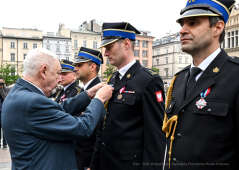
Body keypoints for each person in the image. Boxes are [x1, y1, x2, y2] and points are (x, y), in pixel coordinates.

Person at [1, 48, 113, 170]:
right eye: (57, 73)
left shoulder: (18, 94)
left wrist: (88, 94)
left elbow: (59, 109)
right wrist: (99, 99)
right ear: (43, 71)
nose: (59, 79)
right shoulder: (32, 102)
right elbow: (82, 128)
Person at [162, 0, 238, 170]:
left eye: (193, 23)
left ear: (218, 28)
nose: (182, 30)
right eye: (182, 24)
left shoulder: (235, 76)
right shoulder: (179, 80)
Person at [91, 22, 166, 170]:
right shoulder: (113, 78)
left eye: (109, 47)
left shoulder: (148, 80)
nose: (105, 53)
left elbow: (155, 138)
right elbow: (105, 126)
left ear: (126, 44)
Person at [73, 47, 103, 170]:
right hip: (78, 158)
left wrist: (92, 164)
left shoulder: (100, 91)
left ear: (92, 67)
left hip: (88, 160)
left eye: (79, 65)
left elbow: (100, 133)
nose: (75, 68)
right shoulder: (83, 92)